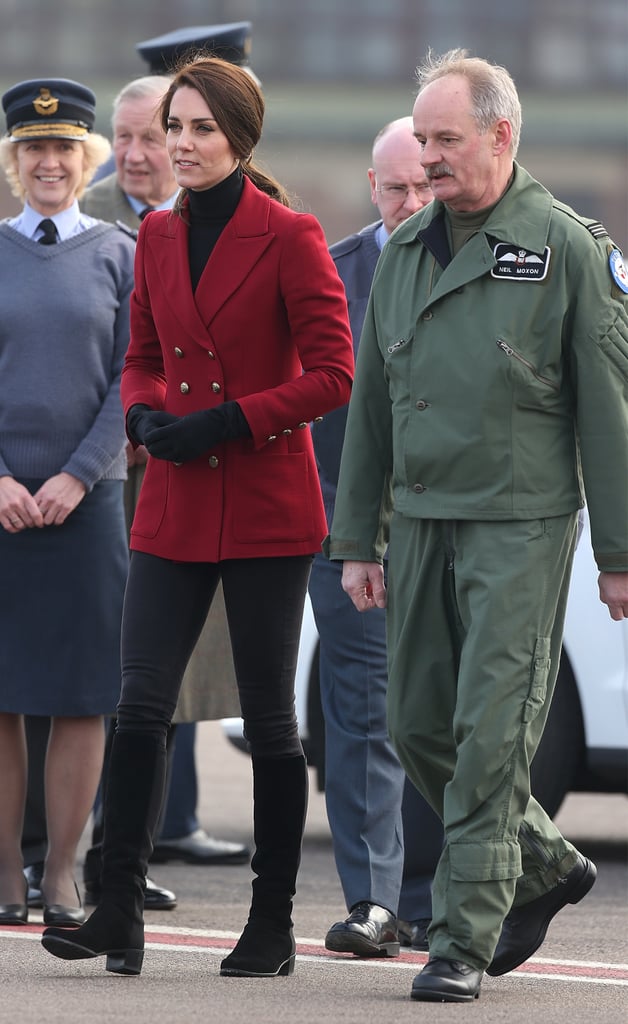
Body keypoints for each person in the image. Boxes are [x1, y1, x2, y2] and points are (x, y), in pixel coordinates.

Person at [325, 48, 628, 1003]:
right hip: (417, 522)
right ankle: (549, 861)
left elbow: (610, 415)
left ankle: (463, 936)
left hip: (520, 523)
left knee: (492, 732)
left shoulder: (569, 247)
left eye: (446, 139)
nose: (429, 158)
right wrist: (356, 538)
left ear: (502, 135)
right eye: (422, 139)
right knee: (418, 727)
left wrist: (618, 556)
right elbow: (373, 404)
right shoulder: (409, 250)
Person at [41, 55, 354, 979]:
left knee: (267, 722)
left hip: (262, 500)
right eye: (173, 128)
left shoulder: (292, 235)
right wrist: (140, 413)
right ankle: (118, 909)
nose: (180, 145)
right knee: (139, 706)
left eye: (199, 130)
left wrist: (230, 419)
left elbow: (333, 374)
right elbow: (138, 353)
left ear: (240, 138)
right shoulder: (161, 239)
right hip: (175, 498)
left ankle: (270, 923)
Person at [0, 78, 135, 928]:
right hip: (1, 505)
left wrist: (78, 474)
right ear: (15, 163)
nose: (50, 162)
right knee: (2, 697)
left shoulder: (122, 251)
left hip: (88, 506)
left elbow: (136, 377)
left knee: (83, 694)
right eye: (33, 149)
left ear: (88, 160)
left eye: (65, 149)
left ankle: (61, 876)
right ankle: (3, 880)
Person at [309, 116, 444, 959]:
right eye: (395, 188)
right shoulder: (331, 275)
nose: (411, 202)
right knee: (364, 718)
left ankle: (439, 896)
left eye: (424, 186)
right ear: (371, 187)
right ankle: (374, 902)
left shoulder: (489, 262)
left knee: (445, 716)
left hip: (452, 527)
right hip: (350, 528)